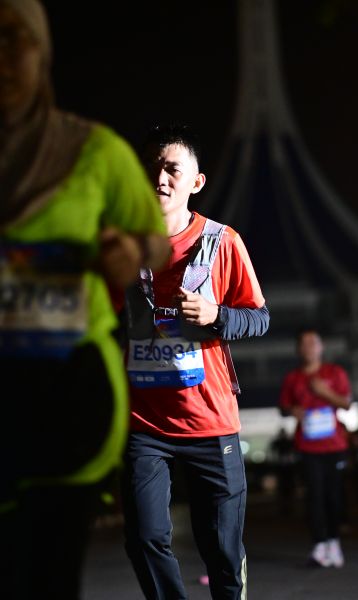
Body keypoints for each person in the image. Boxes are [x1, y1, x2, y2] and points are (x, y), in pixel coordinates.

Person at [0, 1, 170, 598]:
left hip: (68, 397)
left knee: (50, 571)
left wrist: (128, 251)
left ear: (42, 50)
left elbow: (154, 239)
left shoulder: (93, 151)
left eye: (15, 37)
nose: (2, 55)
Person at [120, 123, 270, 599]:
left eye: (171, 169)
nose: (159, 179)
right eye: (151, 168)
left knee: (222, 552)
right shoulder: (121, 249)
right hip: (145, 423)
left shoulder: (223, 242)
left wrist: (216, 315)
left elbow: (259, 319)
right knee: (144, 538)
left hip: (211, 422)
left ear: (196, 181)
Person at [279, 329, 351, 568]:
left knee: (334, 495)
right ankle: (319, 544)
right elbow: (284, 407)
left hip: (334, 445)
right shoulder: (293, 378)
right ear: (299, 349)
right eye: (304, 343)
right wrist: (292, 410)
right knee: (314, 496)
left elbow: (347, 403)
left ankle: (334, 542)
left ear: (321, 347)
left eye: (313, 343)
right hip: (307, 446)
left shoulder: (335, 373)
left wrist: (324, 392)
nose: (309, 347)